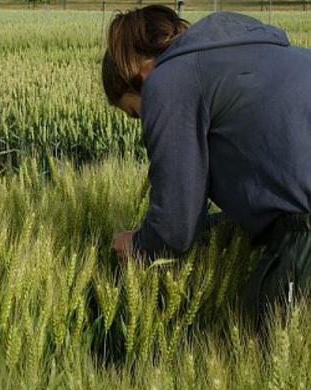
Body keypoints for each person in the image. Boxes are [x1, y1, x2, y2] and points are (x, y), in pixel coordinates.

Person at [103, 6, 311, 316]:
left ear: (137, 72)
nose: (142, 121)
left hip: (304, 237)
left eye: (135, 112)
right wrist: (211, 232)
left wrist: (138, 246)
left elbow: (175, 225)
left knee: (260, 346)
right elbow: (278, 189)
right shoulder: (275, 53)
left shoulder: (167, 80)